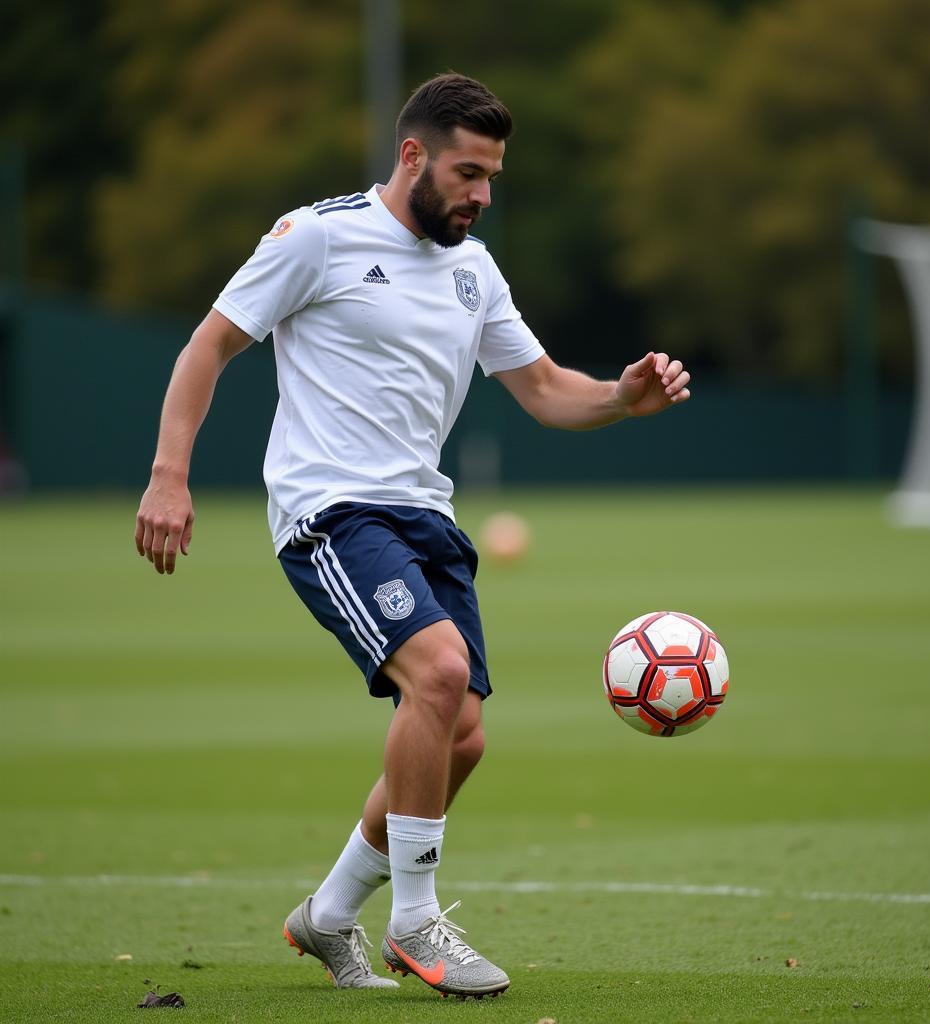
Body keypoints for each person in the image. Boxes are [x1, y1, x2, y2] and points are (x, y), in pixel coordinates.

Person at [135, 72, 690, 1000]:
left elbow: (547, 389)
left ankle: (326, 913)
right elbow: (209, 345)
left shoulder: (476, 271)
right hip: (329, 512)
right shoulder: (317, 236)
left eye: (492, 179)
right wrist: (167, 476)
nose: (480, 194)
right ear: (411, 156)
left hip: (426, 516)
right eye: (468, 172)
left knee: (460, 734)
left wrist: (621, 400)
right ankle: (415, 921)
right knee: (434, 676)